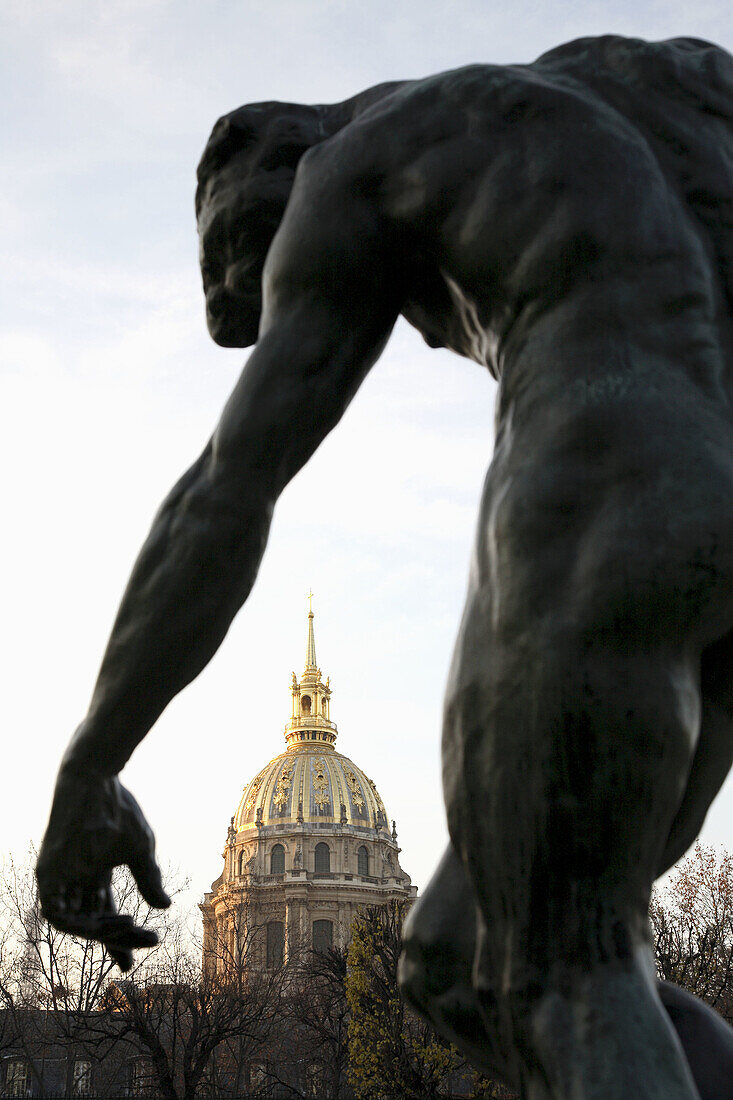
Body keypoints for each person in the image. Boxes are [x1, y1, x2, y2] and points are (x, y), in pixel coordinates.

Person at [38, 35, 733, 1096]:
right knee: (461, 957)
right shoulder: (602, 91)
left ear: (273, 170)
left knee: (559, 970)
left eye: (262, 271)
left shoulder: (349, 167)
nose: (287, 305)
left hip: (621, 492)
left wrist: (92, 760)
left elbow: (228, 488)